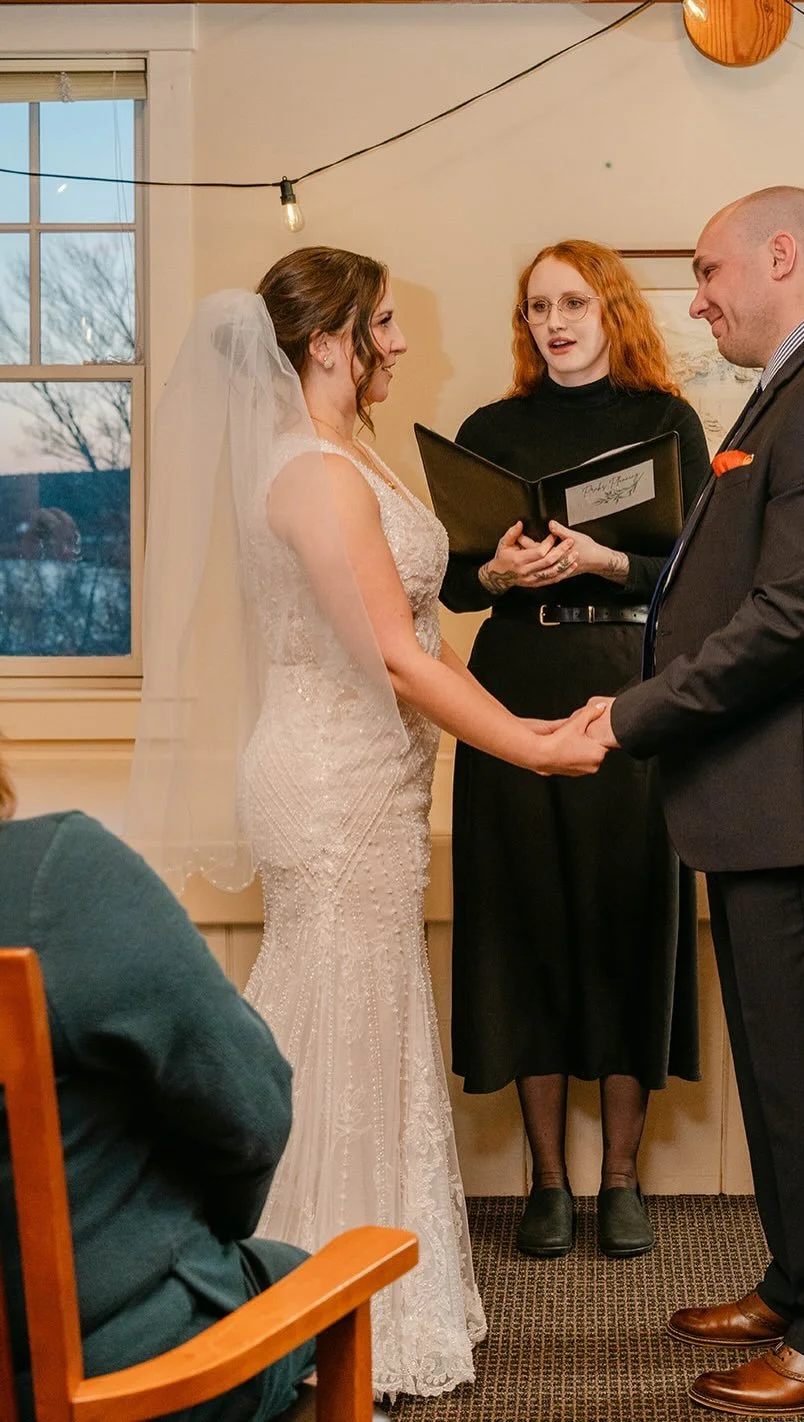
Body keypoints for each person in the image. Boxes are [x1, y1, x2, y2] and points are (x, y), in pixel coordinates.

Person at [127, 247, 605, 1402]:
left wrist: (483, 568)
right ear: (329, 341)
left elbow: (399, 614)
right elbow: (393, 653)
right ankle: (295, 1311)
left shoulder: (354, 455)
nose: (398, 341)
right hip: (329, 781)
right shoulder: (312, 471)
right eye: (382, 324)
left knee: (369, 1026)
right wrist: (535, 744)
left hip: (377, 784)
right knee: (326, 1025)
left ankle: (362, 1298)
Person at [585, 188, 804, 1414]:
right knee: (786, 1066)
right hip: (771, 794)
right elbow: (732, 581)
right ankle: (801, 1283)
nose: (694, 296)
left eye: (707, 268)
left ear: (780, 255)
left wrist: (625, 720)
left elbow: (791, 622)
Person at [441, 240, 710, 1260]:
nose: (553, 322)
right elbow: (459, 586)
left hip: (628, 695)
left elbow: (696, 572)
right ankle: (547, 1184)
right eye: (536, 306)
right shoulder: (490, 430)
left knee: (627, 922)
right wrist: (504, 575)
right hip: (511, 689)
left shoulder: (664, 420)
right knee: (526, 928)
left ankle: (622, 1182)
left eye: (572, 302)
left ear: (610, 310)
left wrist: (602, 556)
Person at [0, 757, 314, 1422]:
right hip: (107, 1373)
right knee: (306, 1280)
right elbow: (252, 1110)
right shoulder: (59, 877)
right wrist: (219, 1227)